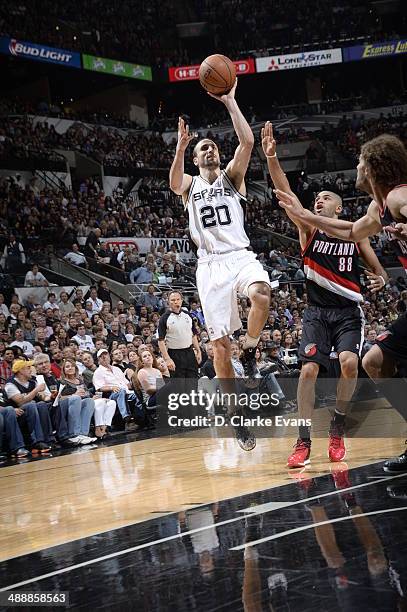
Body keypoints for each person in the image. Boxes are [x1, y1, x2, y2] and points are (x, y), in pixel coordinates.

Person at [275, 133, 407, 473]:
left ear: (375, 167)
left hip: (347, 311)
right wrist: (304, 213)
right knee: (374, 361)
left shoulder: (399, 198)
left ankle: (338, 426)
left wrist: (382, 273)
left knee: (355, 362)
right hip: (318, 311)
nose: (357, 167)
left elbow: (362, 245)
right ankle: (305, 438)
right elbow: (350, 232)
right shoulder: (375, 211)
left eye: (362, 162)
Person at [169, 82, 272, 450]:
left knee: (262, 294)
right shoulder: (190, 186)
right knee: (218, 348)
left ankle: (252, 348)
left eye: (211, 146)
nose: (209, 149)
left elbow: (246, 142)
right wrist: (181, 146)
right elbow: (173, 180)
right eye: (203, 148)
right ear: (196, 159)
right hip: (209, 266)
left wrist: (230, 101)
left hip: (239, 255)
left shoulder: (232, 177)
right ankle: (236, 416)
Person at [4, 360, 53, 454]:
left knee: (42, 405)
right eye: (28, 367)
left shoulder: (32, 380)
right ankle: (37, 442)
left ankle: (48, 439)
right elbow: (20, 402)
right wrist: (36, 389)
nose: (31, 370)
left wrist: (47, 396)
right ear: (21, 371)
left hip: (33, 411)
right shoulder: (10, 384)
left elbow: (41, 396)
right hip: (17, 415)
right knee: (30, 405)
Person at [157, 291, 201, 378]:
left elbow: (193, 335)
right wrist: (167, 359)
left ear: (181, 301)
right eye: (173, 300)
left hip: (189, 352)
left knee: (193, 383)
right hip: (174, 354)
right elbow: (161, 341)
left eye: (178, 299)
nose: (176, 302)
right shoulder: (164, 318)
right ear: (168, 302)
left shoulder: (188, 315)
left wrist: (198, 351)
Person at [92, 348, 138, 431]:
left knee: (138, 394)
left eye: (105, 355)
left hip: (126, 392)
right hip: (111, 395)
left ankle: (142, 419)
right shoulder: (98, 372)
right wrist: (111, 387)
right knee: (120, 391)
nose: (104, 357)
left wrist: (135, 383)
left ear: (109, 357)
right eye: (101, 356)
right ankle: (126, 418)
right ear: (98, 359)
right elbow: (99, 388)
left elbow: (127, 384)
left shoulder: (117, 369)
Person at [59, 359, 96, 444]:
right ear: (63, 370)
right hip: (65, 404)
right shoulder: (62, 381)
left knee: (89, 401)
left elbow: (87, 393)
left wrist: (92, 396)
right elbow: (59, 397)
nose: (70, 368)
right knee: (76, 398)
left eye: (72, 366)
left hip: (78, 402)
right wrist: (74, 394)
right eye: (67, 367)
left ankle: (83, 434)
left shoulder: (80, 380)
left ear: (76, 368)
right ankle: (74, 434)